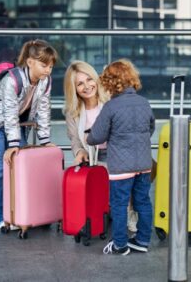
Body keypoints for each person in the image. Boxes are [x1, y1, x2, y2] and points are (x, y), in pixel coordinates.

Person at [0, 39, 58, 229]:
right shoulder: (12, 80)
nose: (48, 70)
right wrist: (14, 144)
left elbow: (44, 110)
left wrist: (45, 140)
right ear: (30, 62)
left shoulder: (45, 82)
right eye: (44, 65)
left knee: (21, 168)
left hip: (15, 123)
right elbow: (9, 112)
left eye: (51, 66)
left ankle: (20, 211)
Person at [87, 59, 155, 255]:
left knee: (119, 204)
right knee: (142, 201)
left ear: (109, 82)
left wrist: (90, 136)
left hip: (120, 167)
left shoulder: (110, 107)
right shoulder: (144, 103)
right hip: (143, 164)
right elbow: (150, 128)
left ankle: (120, 244)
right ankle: (142, 241)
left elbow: (96, 137)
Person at [63, 60, 108, 165]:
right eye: (80, 84)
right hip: (91, 157)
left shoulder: (110, 101)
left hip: (116, 154)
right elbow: (75, 139)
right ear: (74, 89)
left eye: (89, 79)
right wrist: (80, 151)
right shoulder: (72, 112)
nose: (87, 86)